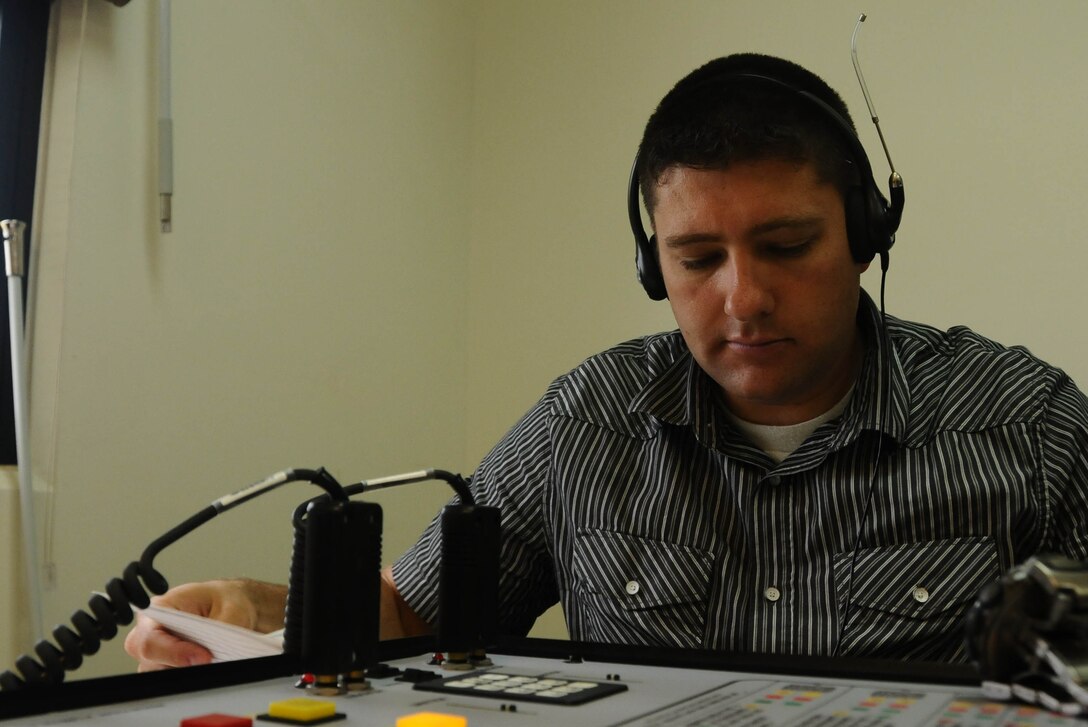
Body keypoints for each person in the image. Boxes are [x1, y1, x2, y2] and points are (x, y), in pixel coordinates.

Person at [125, 53, 1088, 670]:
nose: (742, 298)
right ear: (650, 265)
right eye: (697, 259)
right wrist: (261, 606)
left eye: (788, 247)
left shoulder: (1026, 425)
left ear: (866, 235)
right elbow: (411, 617)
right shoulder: (587, 420)